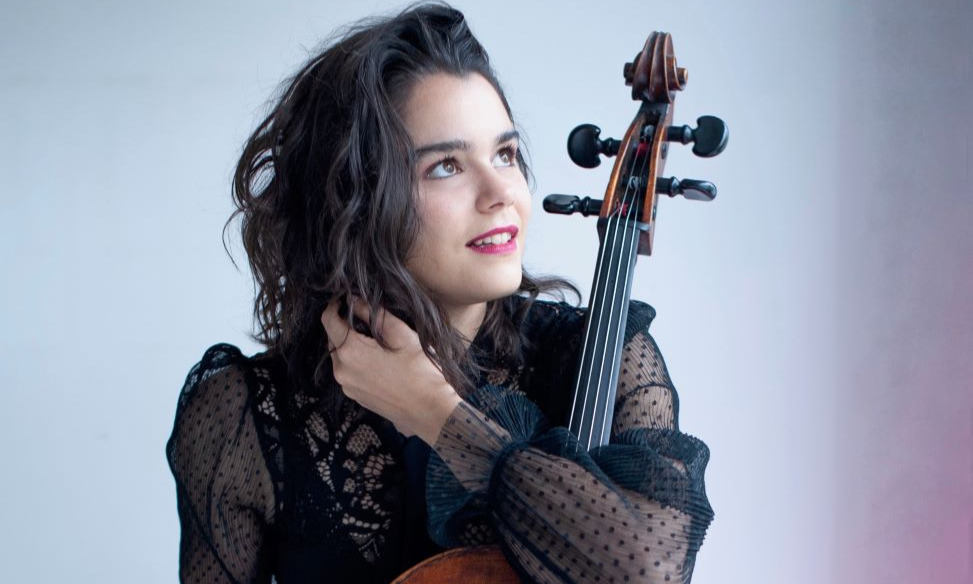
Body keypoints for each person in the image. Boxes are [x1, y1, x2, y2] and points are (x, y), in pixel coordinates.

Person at [166, 3, 714, 583]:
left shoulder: (602, 354)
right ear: (356, 201)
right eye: (446, 166)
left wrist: (436, 413)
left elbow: (647, 571)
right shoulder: (247, 416)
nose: (501, 192)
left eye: (504, 154)